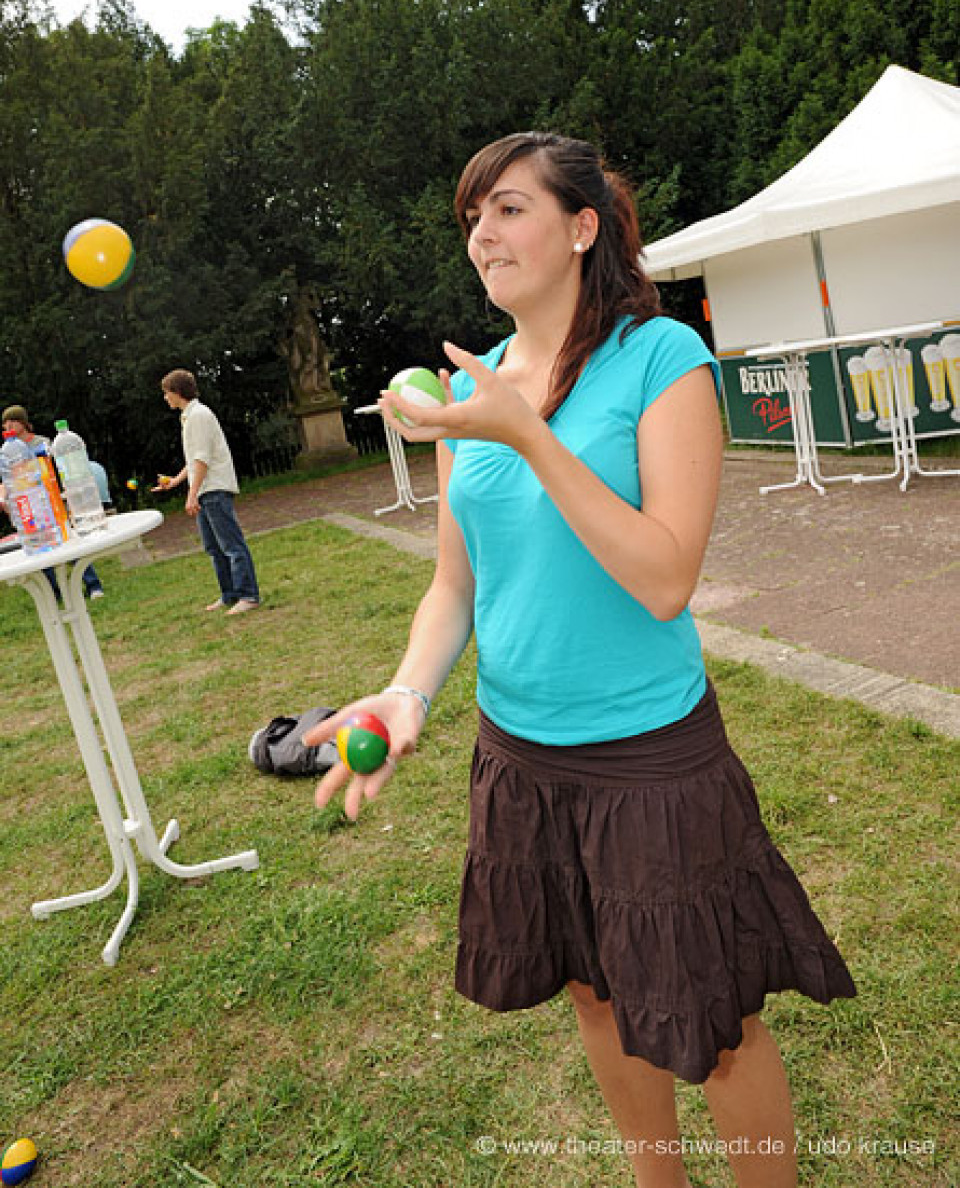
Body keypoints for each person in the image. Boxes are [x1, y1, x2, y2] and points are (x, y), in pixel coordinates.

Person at [303, 133, 856, 1188]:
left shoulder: (659, 360)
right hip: (523, 759)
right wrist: (409, 688)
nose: (483, 233)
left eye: (509, 208)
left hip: (650, 759)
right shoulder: (476, 389)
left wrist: (527, 435)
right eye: (473, 216)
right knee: (596, 991)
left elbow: (664, 576)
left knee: (713, 1018)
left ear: (582, 228)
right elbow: (457, 585)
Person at [152, 370, 260, 615]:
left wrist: (192, 494)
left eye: (166, 393)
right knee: (214, 547)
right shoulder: (190, 417)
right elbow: (193, 460)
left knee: (231, 545)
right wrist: (175, 482)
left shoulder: (199, 416)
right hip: (205, 490)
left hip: (213, 489)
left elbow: (202, 460)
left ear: (177, 392)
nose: (165, 398)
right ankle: (230, 594)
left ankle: (248, 595)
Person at [0, 404, 105, 600]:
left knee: (70, 545)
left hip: (50, 502)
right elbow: (7, 482)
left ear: (23, 422)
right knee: (40, 552)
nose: (8, 425)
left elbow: (53, 470)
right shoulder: (6, 452)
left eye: (12, 420)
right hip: (30, 509)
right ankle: (55, 594)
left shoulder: (42, 443)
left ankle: (93, 585)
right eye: (5, 422)